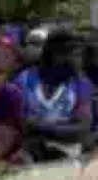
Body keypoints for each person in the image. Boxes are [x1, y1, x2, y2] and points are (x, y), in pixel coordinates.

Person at [15, 28, 93, 162]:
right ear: (55, 54)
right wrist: (61, 126)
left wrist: (41, 126)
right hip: (27, 151)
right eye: (75, 55)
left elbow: (81, 129)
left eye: (80, 56)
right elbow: (19, 122)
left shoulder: (81, 84)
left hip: (67, 152)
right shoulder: (25, 79)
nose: (79, 61)